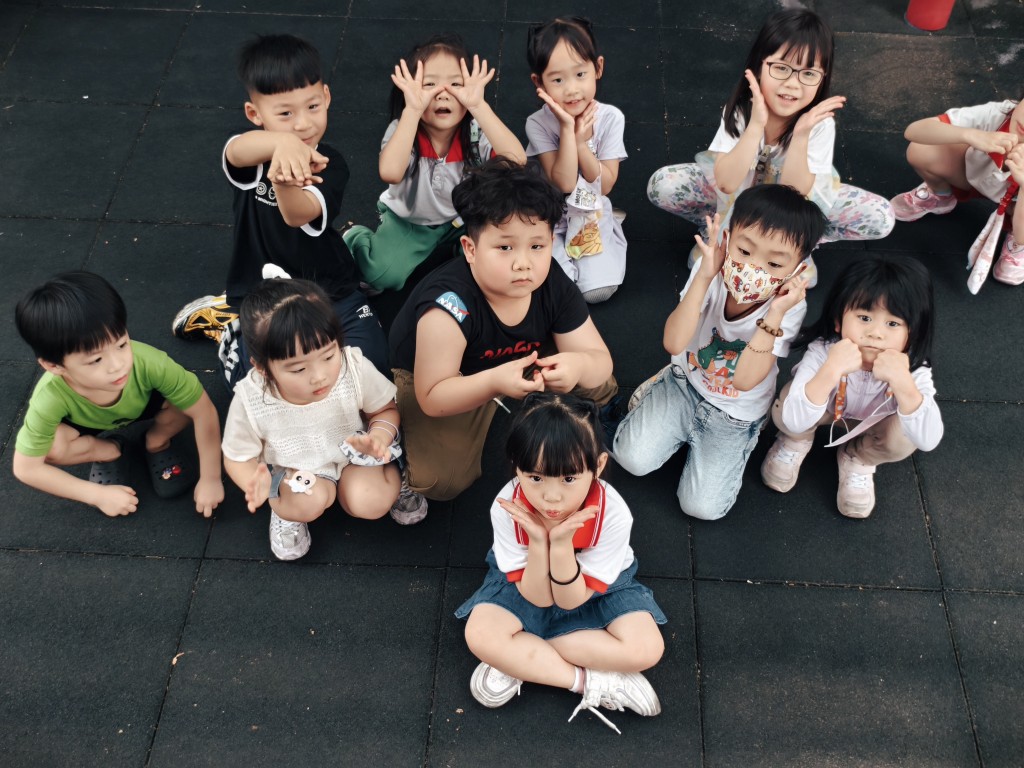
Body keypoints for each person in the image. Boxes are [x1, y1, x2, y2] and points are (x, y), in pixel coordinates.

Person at [388, 157, 616, 503]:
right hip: (451, 376)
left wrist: (578, 365)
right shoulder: (448, 307)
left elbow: (600, 359)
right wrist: (494, 382)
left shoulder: (548, 280)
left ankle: (572, 410)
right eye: (505, 247)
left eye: (536, 246)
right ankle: (393, 445)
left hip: (517, 360)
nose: (523, 263)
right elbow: (433, 397)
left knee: (597, 381)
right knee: (440, 481)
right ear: (470, 249)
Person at [170, 33, 388, 385]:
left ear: (326, 96)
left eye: (312, 107)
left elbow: (297, 215)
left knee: (372, 372)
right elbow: (235, 151)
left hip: (329, 288)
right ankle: (229, 323)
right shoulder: (251, 150)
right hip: (263, 298)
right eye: (285, 113)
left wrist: (284, 180)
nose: (302, 124)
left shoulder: (330, 163)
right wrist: (282, 143)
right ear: (255, 114)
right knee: (257, 386)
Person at [456, 392, 665, 733]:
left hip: (596, 587)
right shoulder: (507, 506)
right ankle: (587, 680)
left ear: (598, 466)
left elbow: (570, 599)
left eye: (569, 479)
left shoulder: (613, 513)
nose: (551, 497)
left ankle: (523, 657)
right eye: (535, 478)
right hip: (530, 580)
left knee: (647, 648)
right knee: (479, 634)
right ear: (517, 465)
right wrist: (540, 543)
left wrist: (563, 546)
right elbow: (538, 597)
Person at [613, 184, 825, 520]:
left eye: (773, 263)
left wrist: (774, 315)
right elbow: (673, 343)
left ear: (797, 271)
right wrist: (704, 276)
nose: (753, 269)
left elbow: (744, 381)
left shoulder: (788, 307)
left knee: (702, 508)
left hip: (735, 413)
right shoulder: (711, 272)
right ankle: (663, 382)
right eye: (744, 250)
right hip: (685, 383)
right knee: (631, 460)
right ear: (727, 240)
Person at [646, 8, 893, 272]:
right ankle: (716, 226)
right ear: (758, 66)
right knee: (663, 185)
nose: (793, 84)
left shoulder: (819, 124)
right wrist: (756, 126)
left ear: (822, 79)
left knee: (881, 216)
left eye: (808, 73)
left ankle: (800, 244)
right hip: (738, 198)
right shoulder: (741, 111)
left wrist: (800, 135)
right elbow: (727, 182)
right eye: (781, 68)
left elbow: (795, 196)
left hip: (794, 208)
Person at [221, 278, 426, 561]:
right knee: (303, 504)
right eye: (298, 369)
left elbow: (384, 410)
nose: (319, 376)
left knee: (371, 501)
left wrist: (379, 437)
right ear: (263, 368)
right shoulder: (251, 399)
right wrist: (253, 482)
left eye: (328, 356)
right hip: (297, 468)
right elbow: (236, 457)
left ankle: (391, 476)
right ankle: (286, 511)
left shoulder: (352, 367)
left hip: (355, 453)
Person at [12, 271, 224, 518]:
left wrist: (211, 478)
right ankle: (110, 451)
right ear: (54, 366)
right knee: (52, 448)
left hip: (148, 405)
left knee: (186, 404)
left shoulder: (150, 363)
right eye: (96, 360)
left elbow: (203, 411)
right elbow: (26, 468)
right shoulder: (49, 397)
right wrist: (96, 495)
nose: (118, 365)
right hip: (84, 424)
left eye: (122, 344)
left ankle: (157, 442)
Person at [342, 33, 526, 293]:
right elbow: (390, 172)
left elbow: (516, 162)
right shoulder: (404, 130)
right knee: (381, 276)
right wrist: (412, 110)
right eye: (429, 84)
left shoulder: (475, 132)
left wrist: (478, 105)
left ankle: (452, 248)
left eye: (456, 84)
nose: (442, 93)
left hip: (462, 218)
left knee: (491, 269)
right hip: (410, 221)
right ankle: (356, 238)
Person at [761, 255, 943, 518]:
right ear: (839, 320)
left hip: (875, 424)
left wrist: (904, 384)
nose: (875, 333)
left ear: (912, 332)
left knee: (905, 436)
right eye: (864, 317)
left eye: (892, 323)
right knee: (790, 399)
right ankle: (796, 441)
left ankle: (859, 457)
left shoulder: (913, 367)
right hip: (825, 411)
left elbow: (928, 440)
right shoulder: (824, 351)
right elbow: (794, 419)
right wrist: (831, 370)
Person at [525, 16, 627, 304]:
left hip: (589, 211)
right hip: (547, 212)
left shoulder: (610, 118)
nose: (571, 89)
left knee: (597, 291)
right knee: (555, 287)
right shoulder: (537, 123)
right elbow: (564, 183)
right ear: (539, 82)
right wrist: (568, 131)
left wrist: (582, 144)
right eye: (558, 80)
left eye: (580, 74)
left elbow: (605, 185)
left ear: (598, 68)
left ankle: (609, 226)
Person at [890, 96, 1024, 285]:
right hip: (975, 176)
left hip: (1018, 208)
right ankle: (941, 194)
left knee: (1021, 234)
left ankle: (1018, 247)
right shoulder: (1001, 113)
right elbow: (914, 131)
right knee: (922, 149)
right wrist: (970, 135)